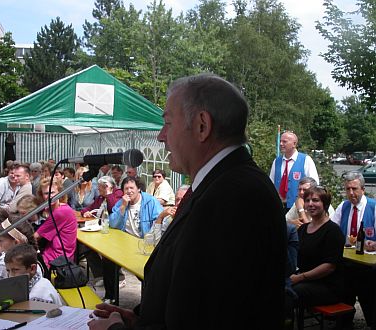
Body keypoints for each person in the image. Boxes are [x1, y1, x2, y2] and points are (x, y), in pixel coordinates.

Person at [89, 74, 286, 329]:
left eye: (168, 123)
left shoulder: (234, 196)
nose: (161, 136)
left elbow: (209, 319)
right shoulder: (220, 184)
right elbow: (192, 295)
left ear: (202, 126)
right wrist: (138, 320)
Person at [289, 186, 345, 327]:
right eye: (307, 200)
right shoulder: (302, 229)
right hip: (304, 280)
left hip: (327, 286)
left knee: (289, 292)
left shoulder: (333, 231)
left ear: (325, 204)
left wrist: (300, 277)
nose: (310, 204)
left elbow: (329, 267)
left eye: (315, 200)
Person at [332, 171, 376, 327]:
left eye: (354, 189)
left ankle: (371, 319)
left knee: (367, 286)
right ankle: (344, 320)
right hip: (347, 261)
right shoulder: (343, 206)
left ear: (363, 189)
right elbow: (332, 230)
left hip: (368, 265)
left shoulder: (374, 206)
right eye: (348, 189)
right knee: (343, 281)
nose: (351, 193)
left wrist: (373, 244)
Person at [269, 131, 319, 211]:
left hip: (298, 208)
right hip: (278, 206)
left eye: (284, 141)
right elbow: (270, 184)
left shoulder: (306, 160)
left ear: (294, 144)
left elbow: (314, 184)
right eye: (280, 141)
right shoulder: (277, 161)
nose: (281, 144)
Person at [34, 177, 77, 268]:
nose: (50, 196)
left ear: (59, 193)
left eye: (52, 192)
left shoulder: (61, 212)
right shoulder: (51, 209)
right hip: (51, 250)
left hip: (58, 257)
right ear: (42, 196)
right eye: (46, 193)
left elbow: (36, 236)